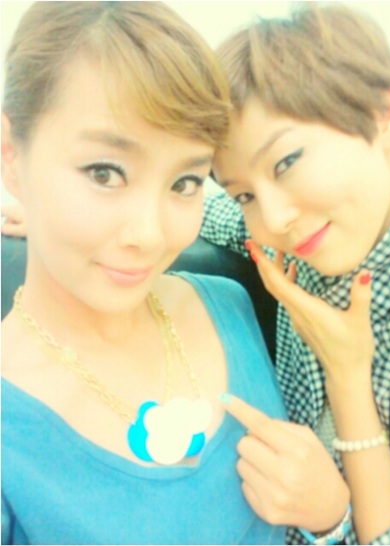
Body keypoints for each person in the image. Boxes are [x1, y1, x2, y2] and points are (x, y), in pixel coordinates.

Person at [0, 2, 295, 544]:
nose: (150, 234)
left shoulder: (229, 304)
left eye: (185, 182)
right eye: (105, 173)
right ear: (11, 155)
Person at [201, 2, 390, 545]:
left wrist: (347, 377)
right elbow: (219, 216)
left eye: (287, 162)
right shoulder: (306, 243)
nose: (274, 220)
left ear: (385, 113)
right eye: (246, 194)